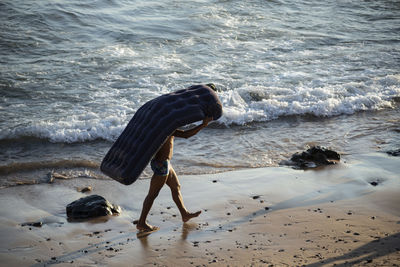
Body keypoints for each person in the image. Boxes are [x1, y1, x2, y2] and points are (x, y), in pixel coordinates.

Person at [136, 116, 213, 232]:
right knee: (152, 195)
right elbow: (186, 135)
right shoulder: (166, 129)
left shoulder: (159, 127)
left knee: (176, 187)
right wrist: (204, 124)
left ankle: (184, 214)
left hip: (164, 163)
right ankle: (141, 222)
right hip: (162, 165)